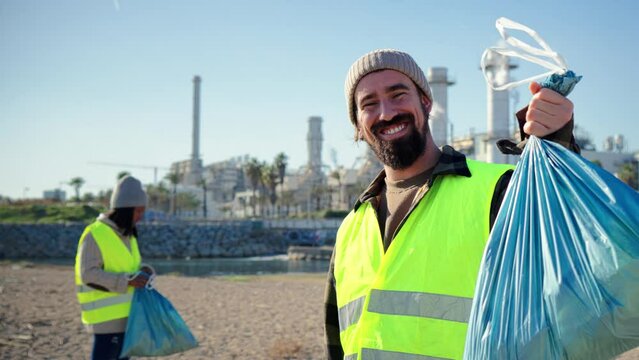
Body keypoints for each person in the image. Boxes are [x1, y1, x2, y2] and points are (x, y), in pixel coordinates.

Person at [324, 49, 578, 360]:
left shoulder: (498, 190)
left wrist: (557, 142)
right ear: (358, 125)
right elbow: (337, 344)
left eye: (398, 94)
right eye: (369, 104)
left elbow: (569, 238)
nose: (387, 113)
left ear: (426, 102)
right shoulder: (351, 229)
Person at [75, 175, 152, 360]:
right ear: (126, 209)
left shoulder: (128, 235)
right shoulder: (96, 233)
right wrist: (127, 281)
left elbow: (130, 267)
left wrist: (146, 271)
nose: (141, 216)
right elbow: (88, 274)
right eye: (138, 211)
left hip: (128, 318)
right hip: (106, 320)